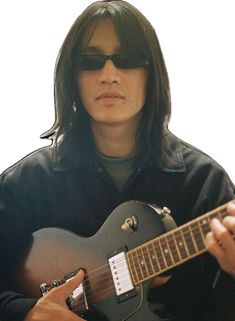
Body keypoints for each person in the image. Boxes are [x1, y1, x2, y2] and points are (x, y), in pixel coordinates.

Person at [0, 0, 234, 320]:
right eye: (91, 61)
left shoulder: (207, 184)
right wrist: (26, 313)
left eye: (127, 59)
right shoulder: (25, 184)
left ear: (151, 73)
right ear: (73, 76)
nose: (109, 74)